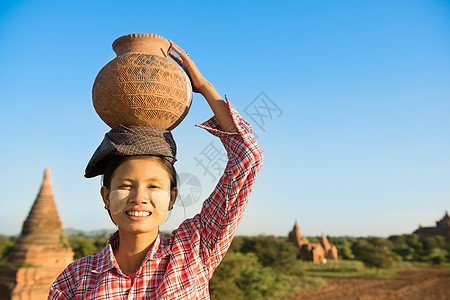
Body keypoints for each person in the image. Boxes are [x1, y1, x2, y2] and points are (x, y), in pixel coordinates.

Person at [48, 40, 263, 299]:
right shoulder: (75, 280)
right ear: (105, 196)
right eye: (126, 185)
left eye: (153, 186)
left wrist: (204, 87)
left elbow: (247, 158)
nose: (139, 197)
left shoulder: (194, 249)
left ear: (172, 196)